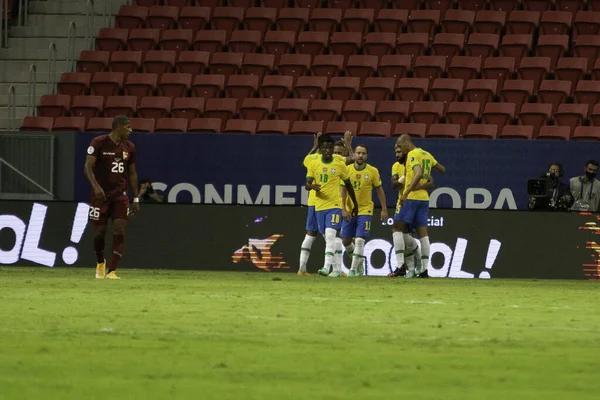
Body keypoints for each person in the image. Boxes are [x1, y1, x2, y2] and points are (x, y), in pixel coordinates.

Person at [84, 115, 139, 280]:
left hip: (120, 195)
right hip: (100, 195)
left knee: (119, 229)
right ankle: (100, 262)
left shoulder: (129, 147)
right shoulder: (98, 142)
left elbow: (132, 173)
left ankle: (112, 271)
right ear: (119, 127)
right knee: (99, 233)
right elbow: (87, 166)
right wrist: (95, 186)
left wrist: (135, 198)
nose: (131, 130)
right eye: (128, 127)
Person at [298, 132, 354, 276]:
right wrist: (348, 146)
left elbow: (304, 159)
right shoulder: (318, 161)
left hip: (327, 203)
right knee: (325, 236)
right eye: (326, 147)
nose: (330, 151)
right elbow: (352, 159)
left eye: (332, 149)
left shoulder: (328, 159)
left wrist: (314, 147)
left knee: (327, 235)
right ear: (322, 148)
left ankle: (330, 268)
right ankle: (334, 268)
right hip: (317, 204)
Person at [390, 135, 446, 278]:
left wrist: (406, 192)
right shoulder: (426, 154)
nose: (400, 150)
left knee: (397, 228)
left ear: (407, 144)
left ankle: (400, 266)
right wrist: (422, 185)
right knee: (423, 234)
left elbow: (418, 173)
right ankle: (424, 270)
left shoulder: (412, 155)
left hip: (411, 198)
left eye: (400, 146)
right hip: (424, 199)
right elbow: (442, 169)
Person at [340, 144, 388, 277]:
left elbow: (379, 190)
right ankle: (359, 261)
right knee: (346, 241)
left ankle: (353, 270)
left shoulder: (372, 171)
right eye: (358, 153)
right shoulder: (347, 169)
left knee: (360, 239)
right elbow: (342, 190)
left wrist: (384, 209)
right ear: (354, 155)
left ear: (366, 156)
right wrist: (343, 208)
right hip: (350, 209)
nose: (360, 156)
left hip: (365, 209)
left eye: (363, 153)